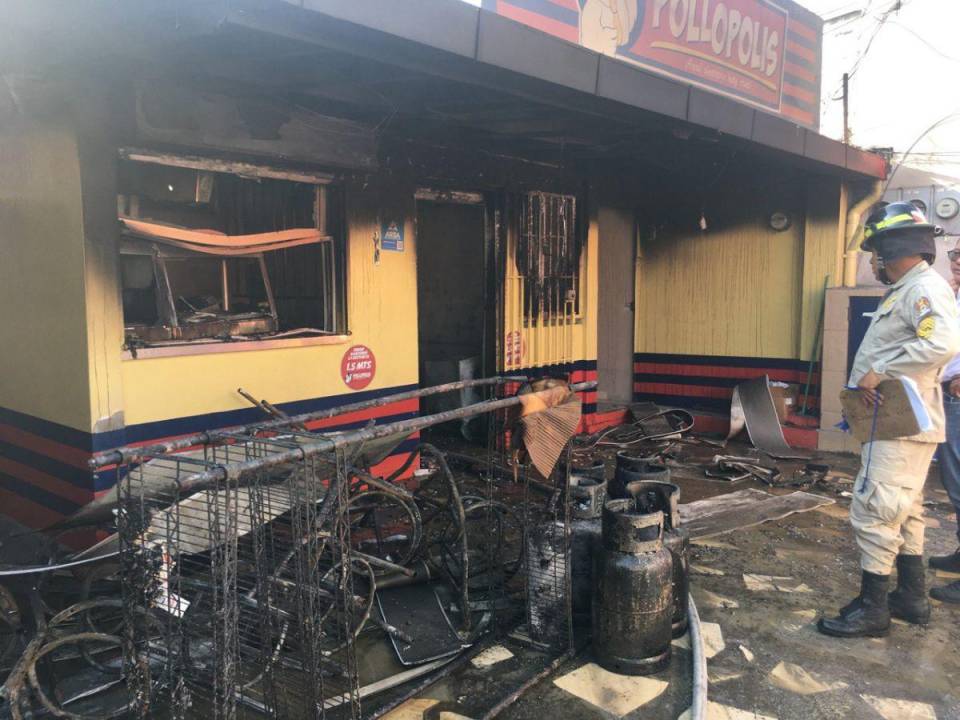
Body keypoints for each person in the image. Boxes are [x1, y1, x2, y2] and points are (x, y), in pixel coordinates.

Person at [818, 202, 960, 638]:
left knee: (875, 509)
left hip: (900, 422)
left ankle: (873, 608)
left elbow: (942, 341)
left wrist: (884, 371)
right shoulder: (908, 288)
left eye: (876, 253)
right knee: (906, 509)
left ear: (894, 248)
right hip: (897, 421)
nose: (874, 262)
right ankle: (911, 597)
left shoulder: (924, 288)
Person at [928, 244, 960, 602]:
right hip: (947, 394)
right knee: (954, 482)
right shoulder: (953, 295)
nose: (958, 261)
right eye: (955, 254)